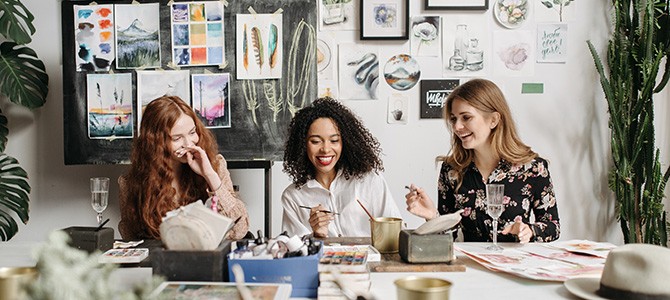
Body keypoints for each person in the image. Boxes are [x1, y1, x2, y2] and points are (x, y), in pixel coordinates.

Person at [405, 79, 560, 243]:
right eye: (453, 119)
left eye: (466, 117)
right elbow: (449, 238)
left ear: (493, 120)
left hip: (513, 265)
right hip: (468, 266)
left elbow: (553, 226)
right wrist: (432, 217)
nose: (457, 127)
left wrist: (529, 230)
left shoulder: (533, 168)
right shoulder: (451, 170)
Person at [118, 96, 249, 240]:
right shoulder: (130, 183)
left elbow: (239, 230)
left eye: (192, 133)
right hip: (161, 260)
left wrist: (209, 175)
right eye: (177, 138)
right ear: (155, 143)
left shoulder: (215, 166)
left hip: (205, 259)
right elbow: (132, 239)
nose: (189, 144)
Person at [281, 97, 401, 238]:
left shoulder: (370, 180)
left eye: (334, 140)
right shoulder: (293, 196)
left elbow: (396, 233)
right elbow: (293, 249)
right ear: (302, 145)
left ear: (346, 143)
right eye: (315, 141)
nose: (326, 149)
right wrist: (317, 235)